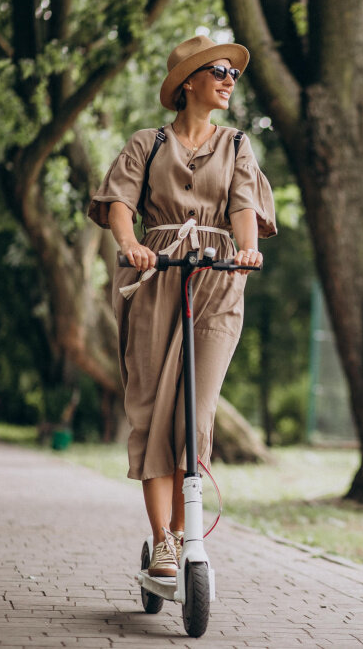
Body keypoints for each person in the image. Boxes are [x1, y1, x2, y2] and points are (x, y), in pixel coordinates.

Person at [88, 34, 276, 577]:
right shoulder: (146, 143)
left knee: (194, 414)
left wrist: (248, 251)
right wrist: (130, 245)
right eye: (217, 71)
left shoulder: (238, 144)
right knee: (150, 409)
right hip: (156, 274)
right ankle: (163, 541)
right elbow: (120, 204)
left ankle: (185, 530)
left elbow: (244, 205)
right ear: (187, 82)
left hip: (217, 279)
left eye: (233, 74)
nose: (228, 80)